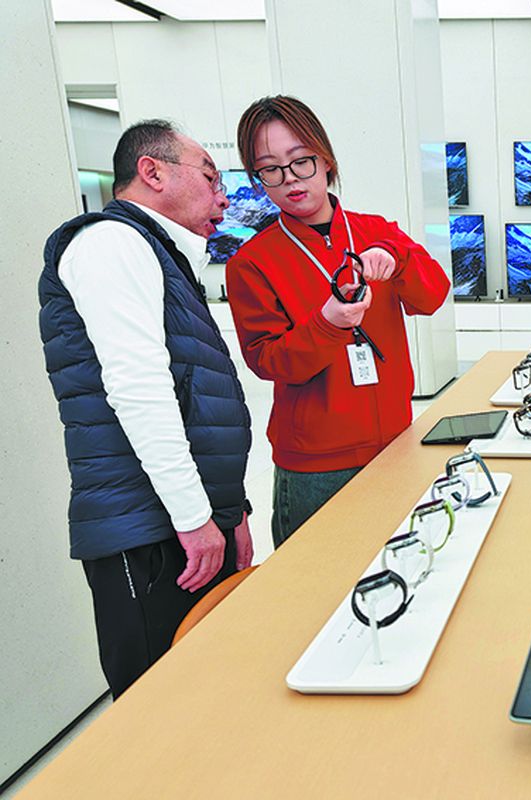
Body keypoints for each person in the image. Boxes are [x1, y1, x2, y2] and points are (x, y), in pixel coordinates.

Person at [39, 120, 254, 698]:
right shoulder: (111, 243)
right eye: (210, 176)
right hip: (150, 532)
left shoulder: (162, 257)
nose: (224, 196)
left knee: (206, 692)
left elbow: (197, 401)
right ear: (152, 172)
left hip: (188, 524)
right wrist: (194, 519)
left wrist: (231, 514)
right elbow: (140, 391)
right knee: (156, 708)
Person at [226, 96, 450, 547]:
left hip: (395, 443)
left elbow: (432, 296)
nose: (289, 179)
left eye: (301, 161)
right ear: (257, 179)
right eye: (269, 169)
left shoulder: (377, 231)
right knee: (316, 595)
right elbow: (268, 361)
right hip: (315, 466)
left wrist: (399, 259)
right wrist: (327, 324)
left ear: (325, 160)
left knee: (400, 575)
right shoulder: (252, 262)